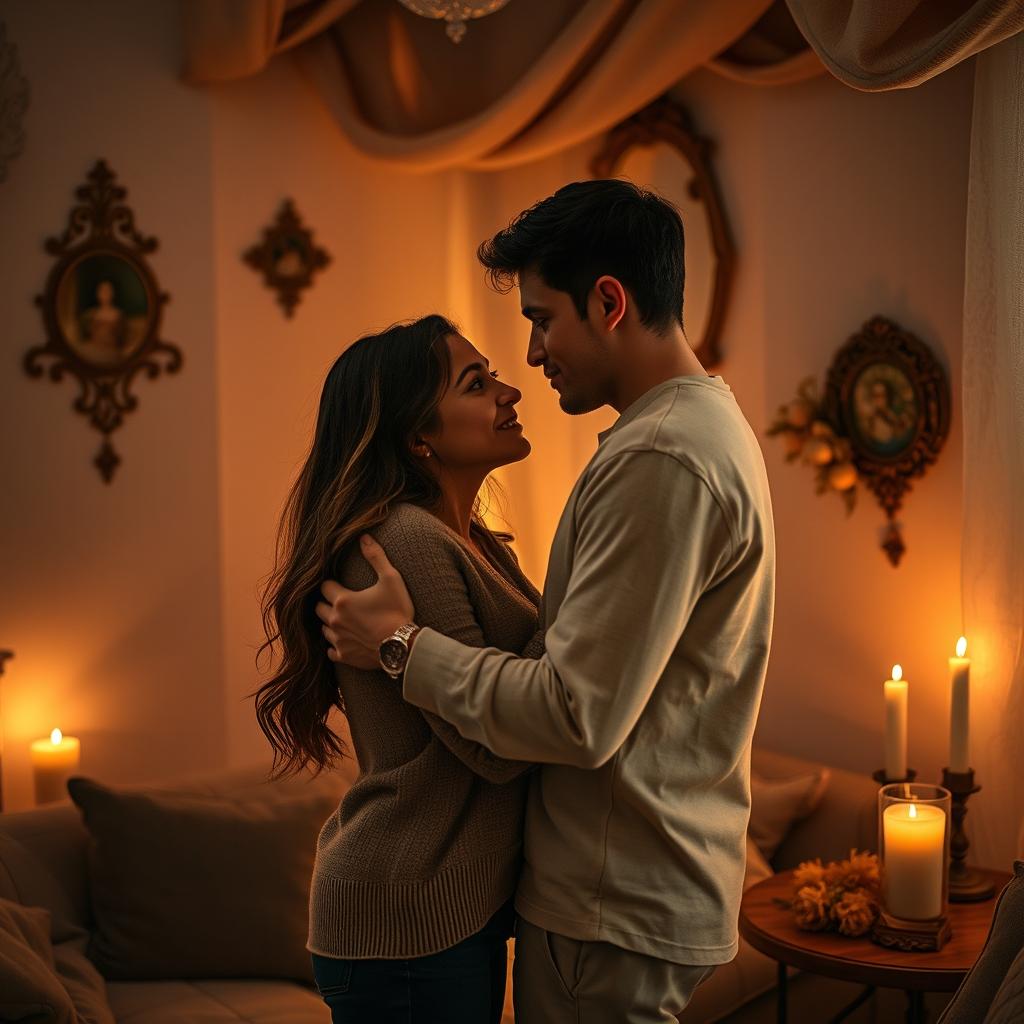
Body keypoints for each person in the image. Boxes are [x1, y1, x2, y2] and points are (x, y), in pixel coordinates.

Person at [317, 179, 777, 1023]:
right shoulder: (697, 433)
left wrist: (402, 647)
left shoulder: (662, 459)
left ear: (608, 302)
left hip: (612, 899)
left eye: (540, 318)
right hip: (607, 893)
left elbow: (573, 713)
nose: (531, 357)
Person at [254, 314, 545, 1023]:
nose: (510, 391)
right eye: (478, 384)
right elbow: (493, 746)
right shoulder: (404, 542)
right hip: (407, 918)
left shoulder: (472, 539)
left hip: (428, 910)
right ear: (420, 437)